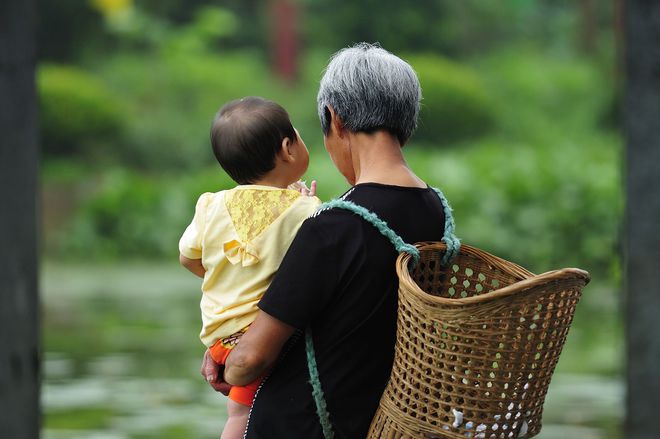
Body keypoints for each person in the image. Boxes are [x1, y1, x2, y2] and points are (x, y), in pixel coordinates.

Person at [201, 43, 447, 438]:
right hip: (381, 425)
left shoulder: (333, 227)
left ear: (335, 119)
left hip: (307, 426)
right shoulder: (435, 211)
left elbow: (250, 360)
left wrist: (225, 361)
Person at [179, 96, 321, 439]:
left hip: (218, 336)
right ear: (288, 149)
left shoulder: (211, 204)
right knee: (240, 415)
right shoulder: (304, 211)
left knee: (242, 408)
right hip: (257, 338)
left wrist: (224, 274)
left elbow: (188, 257)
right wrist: (306, 203)